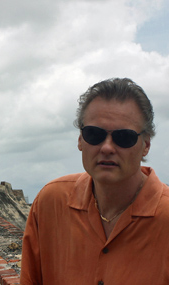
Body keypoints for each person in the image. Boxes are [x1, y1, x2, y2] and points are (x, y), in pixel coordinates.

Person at [20, 78, 169, 284]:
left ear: (146, 145)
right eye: (94, 134)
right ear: (80, 140)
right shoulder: (50, 203)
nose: (107, 147)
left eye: (124, 137)